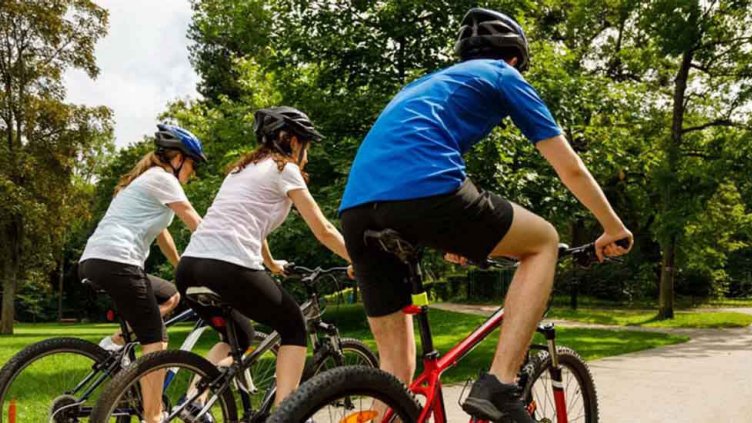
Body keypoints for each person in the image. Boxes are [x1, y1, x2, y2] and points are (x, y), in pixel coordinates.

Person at [338, 8, 633, 423]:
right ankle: (499, 384)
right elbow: (570, 167)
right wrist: (612, 227)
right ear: (514, 58)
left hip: (355, 211)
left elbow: (400, 174)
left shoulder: (422, 86)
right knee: (543, 241)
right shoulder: (502, 74)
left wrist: (454, 238)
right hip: (425, 189)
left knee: (395, 375)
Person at [176, 106, 353, 418]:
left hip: (190, 266)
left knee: (236, 337)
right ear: (292, 140)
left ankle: (193, 404)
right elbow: (323, 230)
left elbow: (250, 225)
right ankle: (287, 414)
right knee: (293, 325)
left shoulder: (241, 170)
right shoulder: (285, 170)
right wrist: (360, 261)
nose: (307, 155)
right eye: (307, 146)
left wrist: (271, 264)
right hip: (227, 266)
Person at [78, 124, 205, 423]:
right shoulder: (162, 179)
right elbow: (195, 221)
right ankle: (153, 416)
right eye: (193, 165)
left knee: (170, 294)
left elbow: (163, 235)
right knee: (157, 341)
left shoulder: (144, 182)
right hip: (118, 262)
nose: (193, 173)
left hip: (96, 260)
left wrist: (181, 268)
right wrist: (218, 256)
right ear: (177, 159)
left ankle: (117, 343)